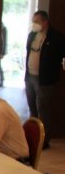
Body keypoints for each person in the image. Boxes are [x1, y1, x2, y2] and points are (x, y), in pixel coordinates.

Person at [25, 10, 65, 149]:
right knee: (32, 108)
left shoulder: (56, 37)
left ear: (45, 22)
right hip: (30, 76)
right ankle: (32, 137)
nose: (34, 24)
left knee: (43, 110)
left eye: (36, 21)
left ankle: (43, 140)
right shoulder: (32, 35)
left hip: (45, 80)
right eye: (33, 21)